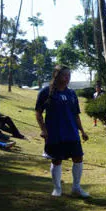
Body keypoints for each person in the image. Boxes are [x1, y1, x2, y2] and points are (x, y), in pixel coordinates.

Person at [35, 65, 90, 198]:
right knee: (56, 159)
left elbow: (76, 114)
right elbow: (38, 112)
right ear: (57, 76)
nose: (67, 78)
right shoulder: (46, 92)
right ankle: (57, 188)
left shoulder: (71, 93)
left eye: (69, 75)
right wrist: (43, 129)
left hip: (72, 132)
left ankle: (76, 187)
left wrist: (82, 131)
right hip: (55, 133)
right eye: (65, 75)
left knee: (78, 158)